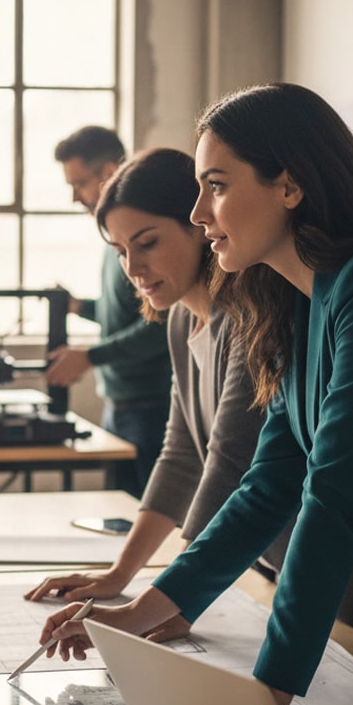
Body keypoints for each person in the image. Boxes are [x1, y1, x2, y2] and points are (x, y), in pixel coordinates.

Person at [41, 83, 353, 705]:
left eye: (215, 185)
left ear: (289, 186)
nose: (198, 213)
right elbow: (268, 485)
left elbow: (335, 493)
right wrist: (146, 610)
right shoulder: (296, 301)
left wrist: (270, 691)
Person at [25, 148, 265, 617]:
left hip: (324, 569)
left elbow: (227, 467)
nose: (132, 267)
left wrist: (161, 603)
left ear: (200, 224)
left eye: (147, 242)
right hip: (259, 559)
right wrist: (119, 576)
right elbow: (179, 457)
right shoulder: (180, 320)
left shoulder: (246, 321)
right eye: (120, 251)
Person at [47, 126, 173, 496]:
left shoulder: (140, 233)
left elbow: (160, 322)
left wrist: (90, 356)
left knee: (152, 515)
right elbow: (127, 311)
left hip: (152, 406)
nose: (75, 197)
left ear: (107, 172)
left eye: (79, 183)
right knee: (122, 517)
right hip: (120, 403)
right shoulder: (114, 239)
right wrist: (79, 307)